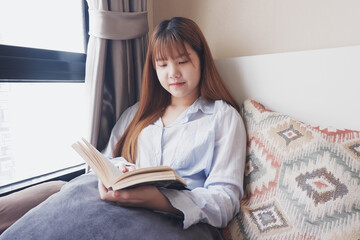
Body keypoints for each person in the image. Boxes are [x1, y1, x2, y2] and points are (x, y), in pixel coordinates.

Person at [100, 17, 246, 230]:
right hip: (120, 210)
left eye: (182, 61)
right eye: (162, 64)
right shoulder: (137, 114)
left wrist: (158, 199)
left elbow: (226, 200)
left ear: (202, 59)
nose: (173, 73)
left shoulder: (223, 117)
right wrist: (115, 172)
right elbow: (106, 160)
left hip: (180, 225)